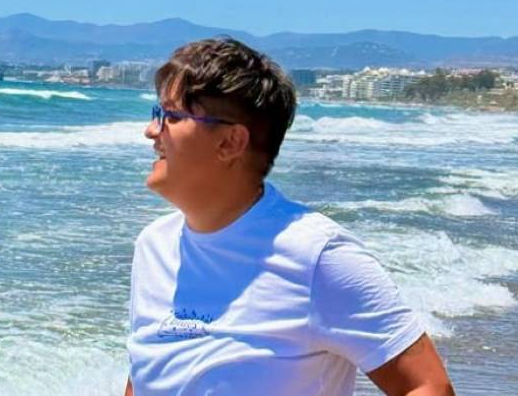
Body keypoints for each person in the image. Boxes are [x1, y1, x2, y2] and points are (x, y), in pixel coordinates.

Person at [125, 37, 454, 396]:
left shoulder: (316, 256)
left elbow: (427, 385)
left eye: (171, 116)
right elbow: (145, 375)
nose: (151, 130)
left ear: (230, 142)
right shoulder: (154, 246)